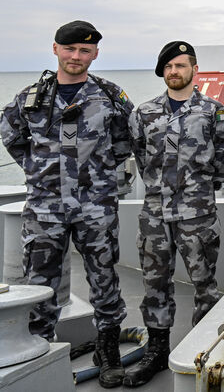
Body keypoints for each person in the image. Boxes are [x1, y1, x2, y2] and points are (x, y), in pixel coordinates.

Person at [0, 20, 133, 388]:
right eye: (70, 49)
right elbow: (11, 133)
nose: (77, 56)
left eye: (85, 50)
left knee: (104, 279)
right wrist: (38, 168)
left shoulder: (108, 95)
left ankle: (108, 351)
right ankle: (40, 353)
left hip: (96, 207)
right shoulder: (31, 97)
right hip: (45, 209)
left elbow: (126, 139)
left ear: (95, 54)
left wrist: (101, 170)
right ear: (56, 49)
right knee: (41, 283)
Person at [125, 41, 224, 387]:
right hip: (155, 214)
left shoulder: (214, 112)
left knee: (204, 285)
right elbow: (141, 157)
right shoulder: (144, 113)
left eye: (181, 66)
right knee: (155, 284)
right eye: (169, 67)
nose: (175, 72)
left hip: (197, 213)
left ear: (194, 70)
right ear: (163, 72)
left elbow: (223, 162)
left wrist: (196, 190)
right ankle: (157, 353)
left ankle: (202, 351)